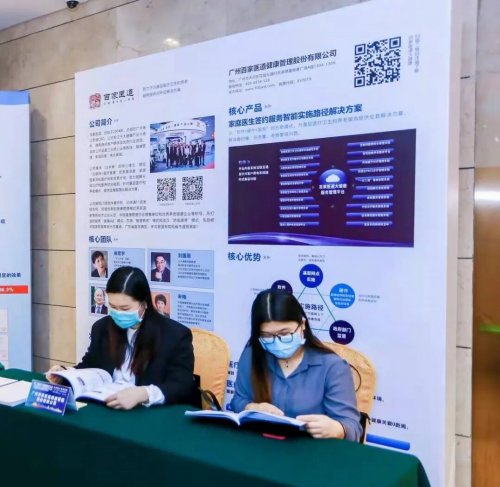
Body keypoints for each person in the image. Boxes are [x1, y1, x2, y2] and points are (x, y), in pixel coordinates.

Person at [46, 266, 199, 410]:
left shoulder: (174, 335)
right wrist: (65, 373)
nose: (118, 313)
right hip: (107, 407)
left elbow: (182, 386)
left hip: (149, 414)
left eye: (125, 308)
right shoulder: (102, 328)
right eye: (113, 307)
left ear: (144, 304)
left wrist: (143, 393)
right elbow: (90, 365)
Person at [230, 289, 362, 441]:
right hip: (262, 445)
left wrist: (337, 429)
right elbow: (238, 400)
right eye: (267, 336)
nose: (277, 342)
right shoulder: (252, 355)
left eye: (285, 333)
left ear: (302, 325)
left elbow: (353, 428)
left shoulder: (332, 367)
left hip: (312, 450)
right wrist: (252, 408)